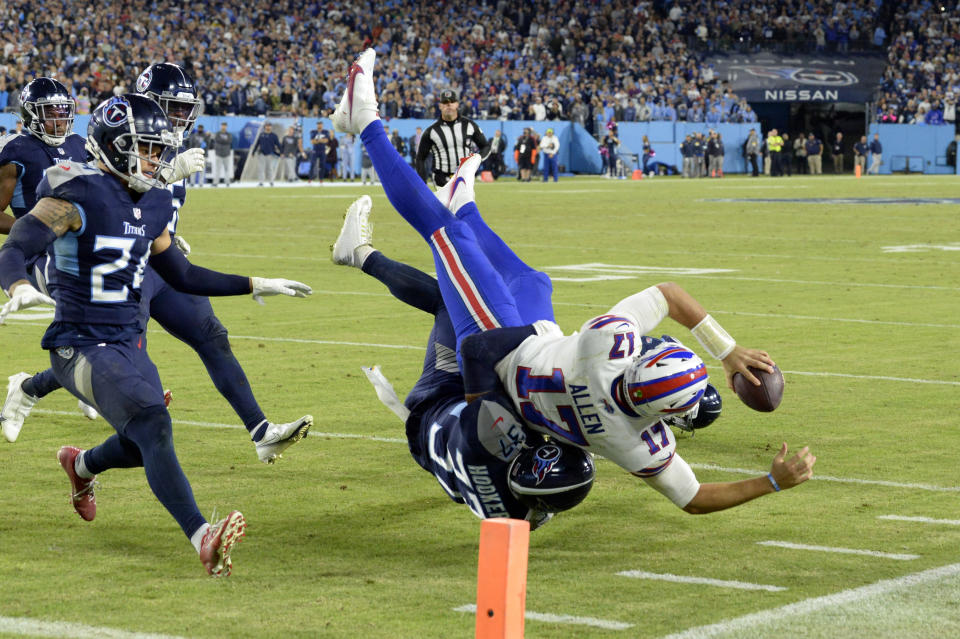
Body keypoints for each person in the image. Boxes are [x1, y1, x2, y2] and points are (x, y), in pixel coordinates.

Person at [329, 49, 816, 515]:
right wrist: (772, 482)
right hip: (540, 364)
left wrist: (726, 352)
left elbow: (669, 294)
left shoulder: (608, 344)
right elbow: (695, 499)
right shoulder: (633, 443)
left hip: (505, 351)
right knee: (533, 280)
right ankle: (464, 200)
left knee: (444, 233)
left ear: (638, 364)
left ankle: (365, 120)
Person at [0, 94, 311, 575]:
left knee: (143, 438)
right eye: (145, 148)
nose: (156, 160)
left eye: (157, 150)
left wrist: (254, 283)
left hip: (126, 341)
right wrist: (18, 285)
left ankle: (80, 465)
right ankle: (202, 537)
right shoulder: (75, 191)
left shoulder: (156, 201)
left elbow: (182, 275)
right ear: (113, 146)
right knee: (154, 424)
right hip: (77, 343)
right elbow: (18, 244)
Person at [330, 196, 594, 529]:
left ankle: (359, 254)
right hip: (442, 446)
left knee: (449, 301)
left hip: (438, 399)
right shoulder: (517, 511)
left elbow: (476, 352)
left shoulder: (489, 435)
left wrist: (538, 334)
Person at [415, 89, 489, 187]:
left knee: (464, 201)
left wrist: (476, 159)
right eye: (445, 103)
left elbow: (485, 146)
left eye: (452, 102)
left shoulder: (469, 125)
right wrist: (422, 184)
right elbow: (420, 158)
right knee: (446, 202)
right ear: (440, 106)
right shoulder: (431, 131)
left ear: (457, 104)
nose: (448, 105)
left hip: (465, 176)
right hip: (441, 178)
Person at [254, 122, 280, 186]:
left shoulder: (274, 135)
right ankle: (261, 182)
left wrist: (281, 152)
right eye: (267, 126)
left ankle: (271, 181)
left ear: (271, 127)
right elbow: (257, 144)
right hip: (262, 153)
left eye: (269, 126)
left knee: (270, 168)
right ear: (265, 127)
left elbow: (278, 144)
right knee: (261, 168)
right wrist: (253, 152)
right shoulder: (261, 134)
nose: (268, 127)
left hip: (270, 154)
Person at [211, 122, 233, 186]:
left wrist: (222, 140)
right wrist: (224, 141)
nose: (223, 127)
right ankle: (215, 182)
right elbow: (217, 140)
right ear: (221, 126)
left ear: (226, 127)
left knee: (227, 169)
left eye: (225, 126)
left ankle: (227, 182)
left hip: (226, 154)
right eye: (222, 126)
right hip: (219, 153)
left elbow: (229, 141)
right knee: (217, 169)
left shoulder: (229, 134)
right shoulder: (218, 134)